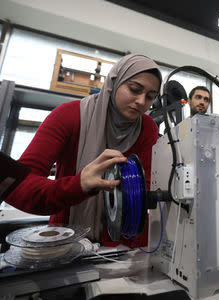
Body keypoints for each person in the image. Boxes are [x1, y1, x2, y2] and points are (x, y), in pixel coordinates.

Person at [5, 54, 162, 246]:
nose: (141, 101)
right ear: (114, 82)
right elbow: (16, 188)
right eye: (134, 89)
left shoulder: (147, 128)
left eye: (150, 97)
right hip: (67, 241)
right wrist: (79, 185)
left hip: (124, 244)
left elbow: (144, 187)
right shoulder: (67, 115)